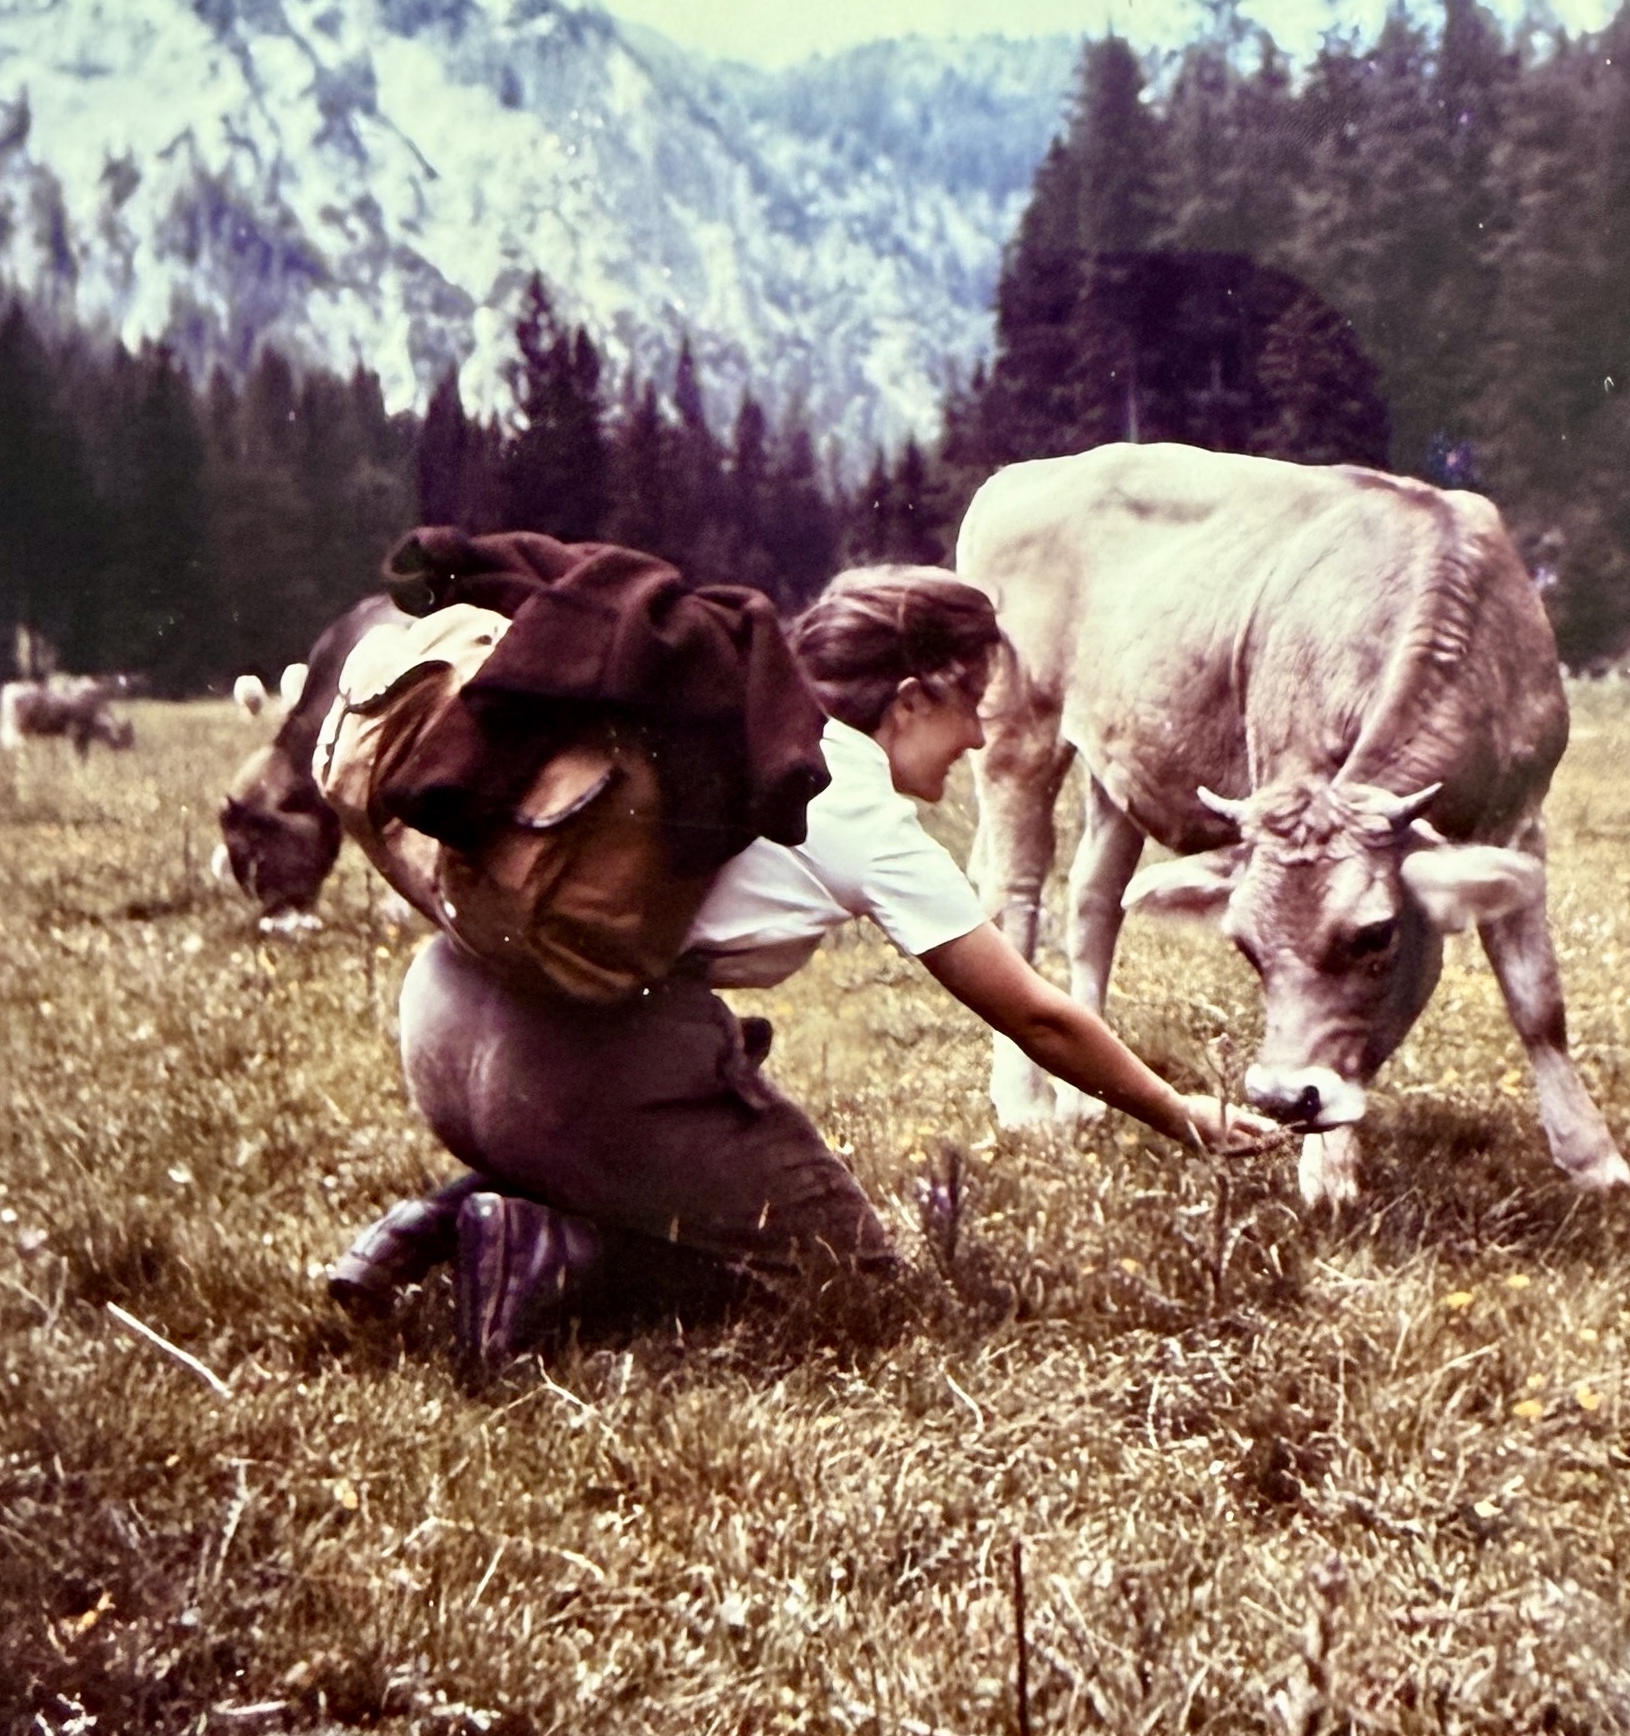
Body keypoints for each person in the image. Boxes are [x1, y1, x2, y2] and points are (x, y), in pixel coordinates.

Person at [330, 563, 1280, 1366]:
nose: (983, 738)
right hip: (564, 1075)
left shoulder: (742, 723)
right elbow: (1036, 1016)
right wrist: (1181, 1113)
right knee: (851, 1279)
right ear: (911, 701)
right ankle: (553, 1243)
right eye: (972, 710)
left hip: (445, 1020)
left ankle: (452, 1214)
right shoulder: (856, 808)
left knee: (710, 1076)